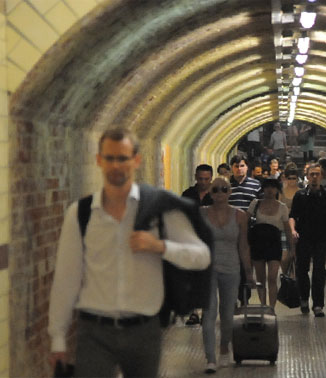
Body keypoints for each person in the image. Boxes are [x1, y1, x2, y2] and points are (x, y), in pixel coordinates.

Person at [48, 128, 211, 377]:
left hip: (143, 330)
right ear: (99, 160)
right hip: (94, 331)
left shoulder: (159, 210)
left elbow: (201, 256)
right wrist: (57, 337)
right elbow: (66, 278)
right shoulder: (80, 213)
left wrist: (160, 247)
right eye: (109, 158)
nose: (116, 165)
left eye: (122, 158)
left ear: (136, 160)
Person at [201, 177, 253, 374]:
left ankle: (224, 347)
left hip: (231, 269)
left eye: (224, 189)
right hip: (207, 269)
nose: (220, 193)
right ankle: (210, 358)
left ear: (230, 192)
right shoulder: (202, 214)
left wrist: (248, 272)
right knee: (209, 313)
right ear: (210, 193)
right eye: (216, 190)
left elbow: (243, 245)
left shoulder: (239, 216)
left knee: (228, 315)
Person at [288, 163, 326, 318]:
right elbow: (292, 216)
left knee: (319, 271)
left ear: (322, 176)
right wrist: (293, 230)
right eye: (312, 174)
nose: (315, 177)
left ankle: (318, 305)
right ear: (307, 176)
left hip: (322, 238)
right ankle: (304, 298)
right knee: (302, 269)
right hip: (304, 237)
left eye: (317, 174)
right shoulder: (300, 195)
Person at [247, 178, 293, 308]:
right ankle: (263, 305)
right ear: (263, 189)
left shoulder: (282, 207)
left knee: (272, 277)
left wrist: (291, 248)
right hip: (257, 243)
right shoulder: (255, 204)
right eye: (267, 187)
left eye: (273, 187)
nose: (270, 190)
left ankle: (271, 308)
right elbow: (245, 222)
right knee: (260, 279)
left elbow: (287, 229)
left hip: (274, 244)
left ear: (277, 189)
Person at [181, 164, 215, 326]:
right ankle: (194, 312)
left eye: (206, 179)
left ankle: (205, 312)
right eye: (200, 179)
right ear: (195, 177)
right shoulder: (187, 195)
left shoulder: (216, 195)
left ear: (211, 178)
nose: (203, 182)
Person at [228, 155, 262, 305]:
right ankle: (234, 295)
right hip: (230, 231)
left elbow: (260, 208)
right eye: (236, 166)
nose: (239, 169)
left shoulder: (256, 185)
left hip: (249, 230)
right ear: (231, 168)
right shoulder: (226, 186)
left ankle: (244, 297)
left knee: (246, 264)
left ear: (247, 167)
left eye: (242, 165)